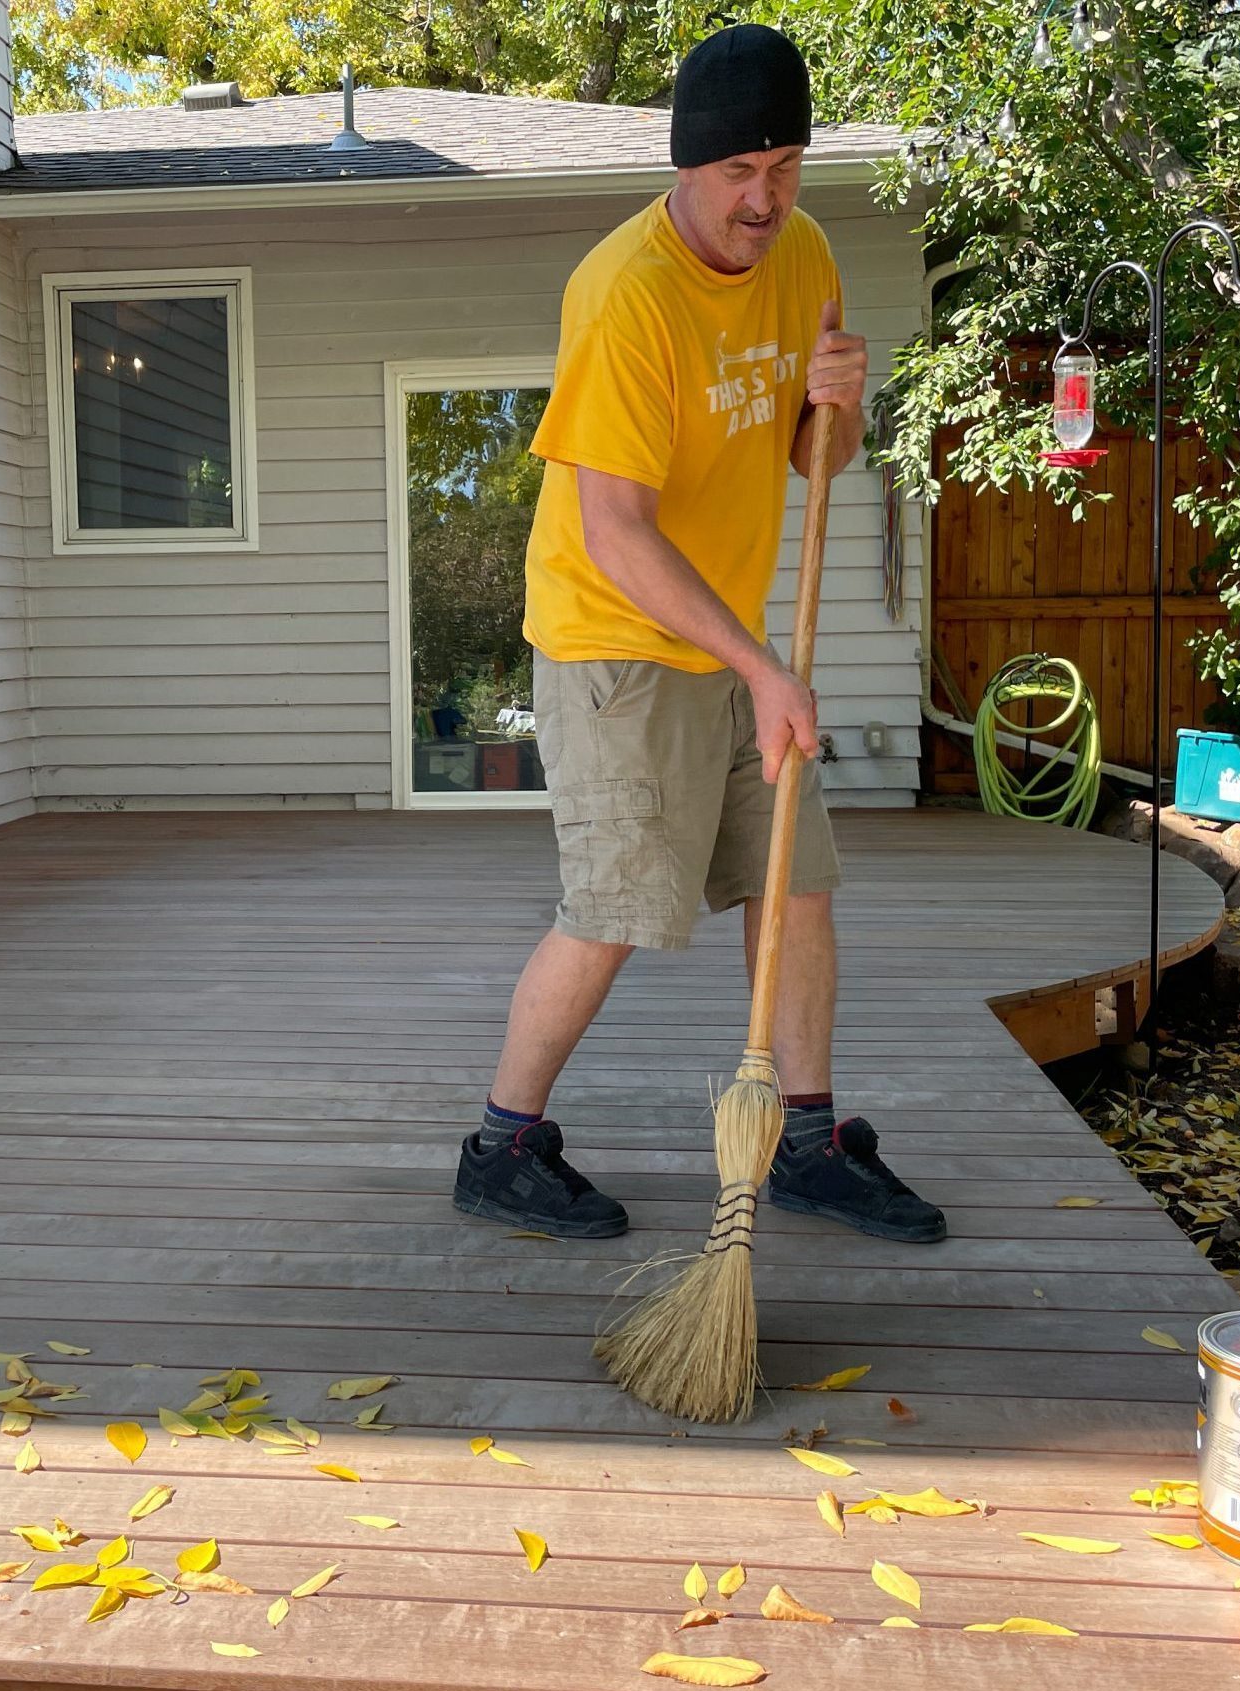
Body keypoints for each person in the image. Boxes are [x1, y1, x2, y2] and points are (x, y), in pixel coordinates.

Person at [450, 23, 948, 1247]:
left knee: (798, 889)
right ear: (686, 166)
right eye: (740, 171)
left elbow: (814, 460)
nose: (765, 197)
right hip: (617, 643)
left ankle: (808, 1144)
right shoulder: (624, 295)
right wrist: (762, 663)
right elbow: (614, 530)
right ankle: (500, 1145)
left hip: (730, 641)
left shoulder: (807, 251)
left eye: (785, 165)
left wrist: (844, 399)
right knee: (616, 906)